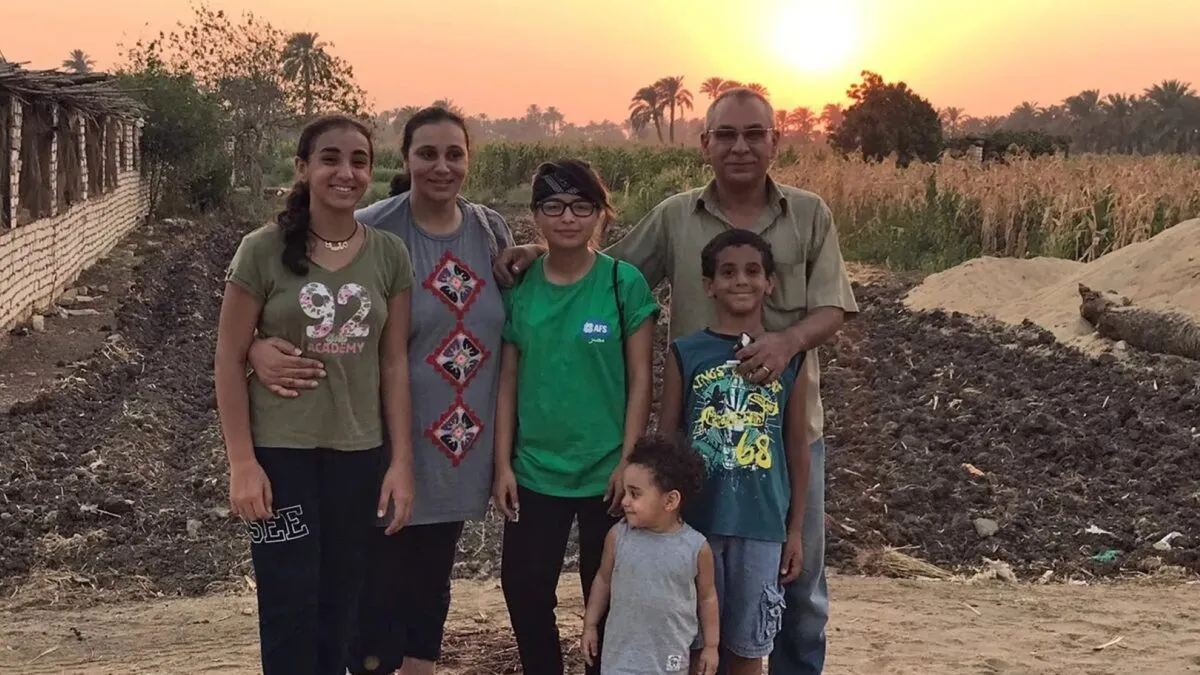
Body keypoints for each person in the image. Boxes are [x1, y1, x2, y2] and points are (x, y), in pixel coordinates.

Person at [495, 87, 859, 675]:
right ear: (704, 144)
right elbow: (602, 266)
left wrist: (787, 340)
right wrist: (545, 251)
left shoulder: (809, 213)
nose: (740, 147)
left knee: (795, 580)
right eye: (726, 135)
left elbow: (834, 306)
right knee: (689, 574)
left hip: (782, 436)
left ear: (776, 141)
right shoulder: (675, 216)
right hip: (697, 442)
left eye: (754, 134)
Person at [243, 106, 514, 675]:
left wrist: (540, 256)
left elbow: (524, 311)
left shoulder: (491, 231)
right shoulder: (374, 228)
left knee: (431, 582)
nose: (441, 166)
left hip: (459, 440)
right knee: (367, 589)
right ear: (405, 160)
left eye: (454, 154)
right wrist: (253, 348)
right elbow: (289, 296)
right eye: (426, 153)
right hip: (379, 440)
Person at [213, 114, 416, 675]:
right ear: (303, 168)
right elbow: (228, 358)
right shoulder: (262, 250)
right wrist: (242, 464)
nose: (345, 172)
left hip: (359, 453)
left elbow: (394, 362)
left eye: (359, 161)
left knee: (343, 604)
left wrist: (400, 462)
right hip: (283, 455)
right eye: (330, 159)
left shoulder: (389, 255)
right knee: (289, 604)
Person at [493, 158, 659, 675]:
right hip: (535, 470)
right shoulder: (521, 287)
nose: (567, 217)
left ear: (601, 214)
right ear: (536, 215)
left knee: (606, 598)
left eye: (582, 206)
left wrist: (629, 462)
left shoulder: (622, 284)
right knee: (524, 590)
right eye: (554, 206)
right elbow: (508, 381)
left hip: (606, 473)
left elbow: (641, 381)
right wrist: (502, 465)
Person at [658, 229, 810, 675]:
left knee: (747, 650)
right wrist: (664, 520)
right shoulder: (685, 353)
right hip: (696, 524)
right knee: (695, 646)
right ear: (709, 285)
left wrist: (795, 530)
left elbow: (796, 447)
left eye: (752, 271)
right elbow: (668, 440)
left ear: (769, 283)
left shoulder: (789, 358)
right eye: (727, 272)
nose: (740, 280)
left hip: (761, 526)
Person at [580, 435, 720, 675]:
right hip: (620, 658)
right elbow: (603, 580)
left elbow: (707, 598)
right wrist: (590, 625)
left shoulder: (696, 548)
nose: (625, 501)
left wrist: (711, 646)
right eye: (626, 492)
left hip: (669, 660)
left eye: (635, 494)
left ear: (670, 500)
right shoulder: (618, 537)